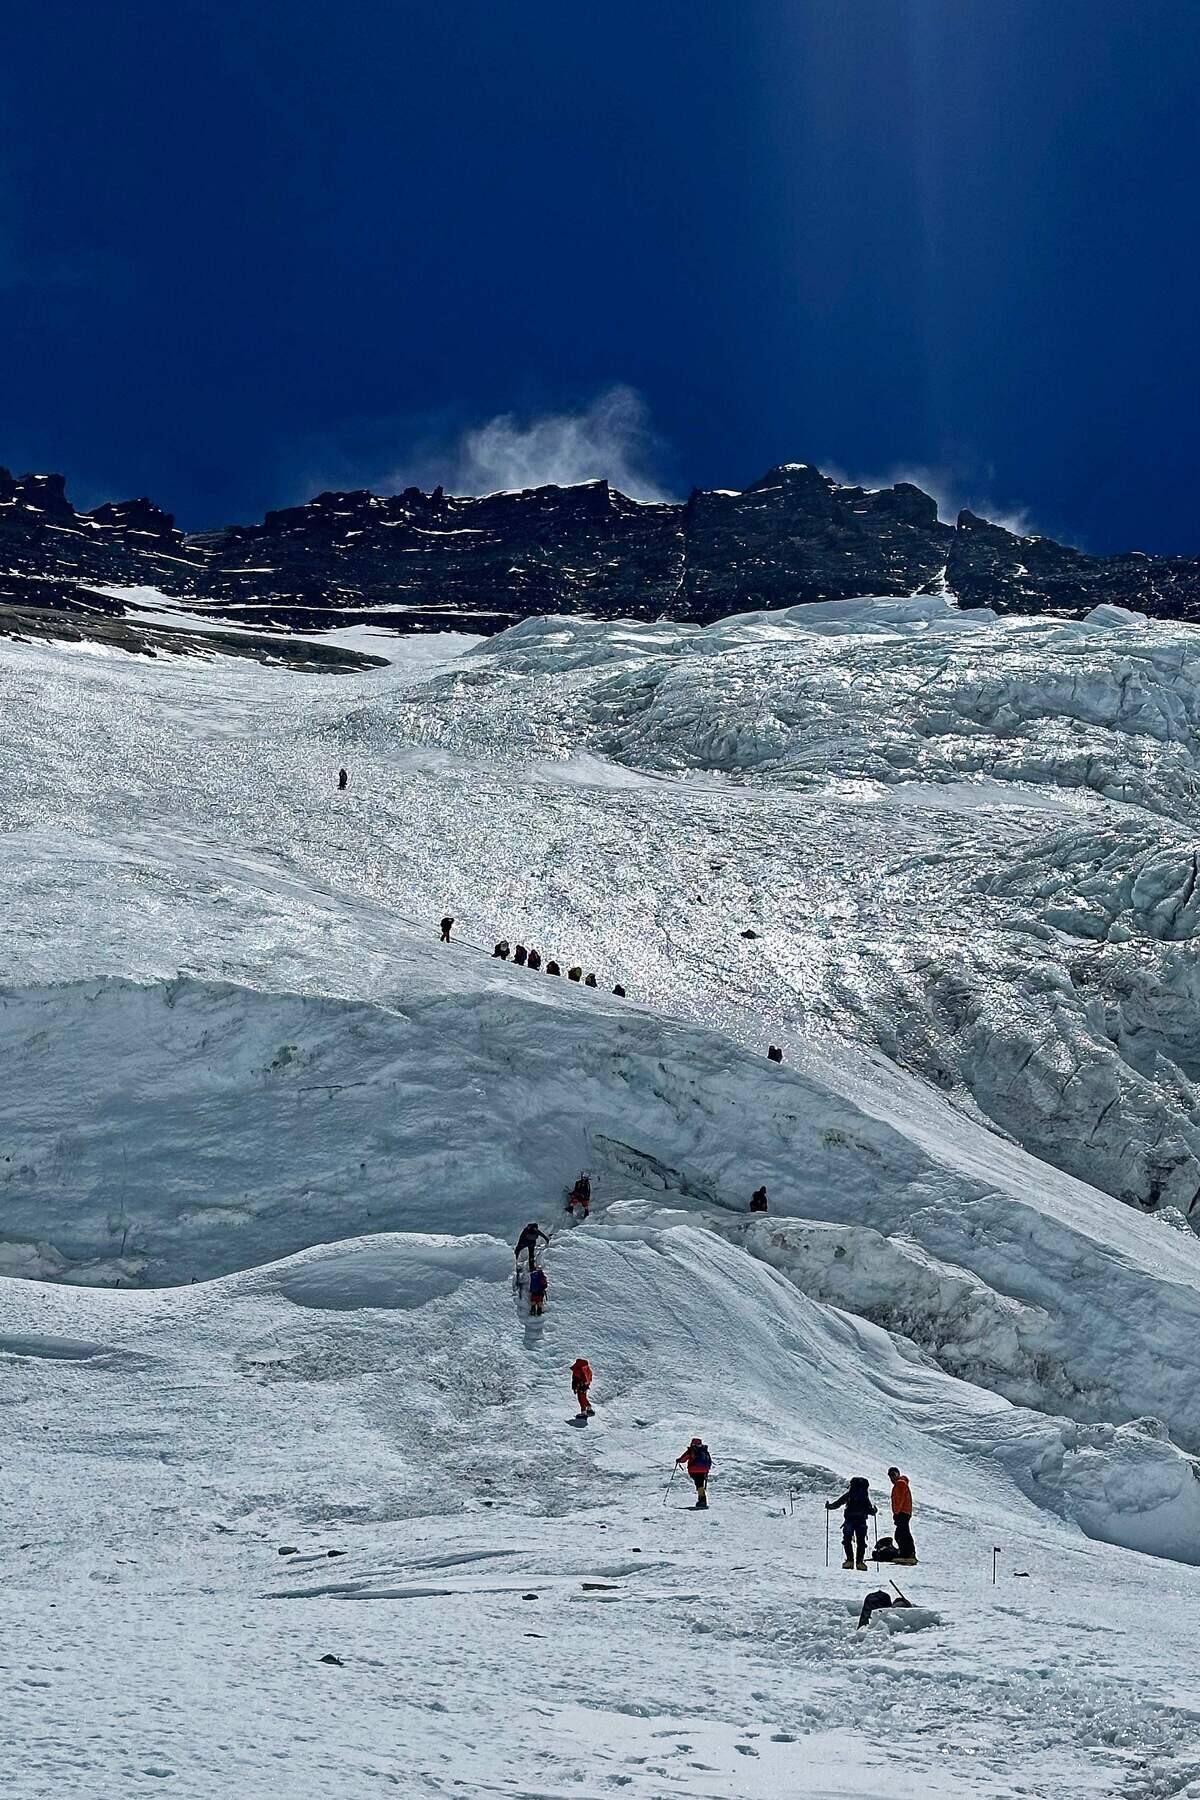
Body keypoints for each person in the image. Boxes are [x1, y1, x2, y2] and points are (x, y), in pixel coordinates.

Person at [826, 1478, 877, 1571]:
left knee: (847, 1539)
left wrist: (829, 1506)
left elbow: (838, 1503)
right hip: (861, 1521)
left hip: (849, 1520)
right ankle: (860, 1562)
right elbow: (869, 1510)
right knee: (861, 1541)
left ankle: (849, 1561)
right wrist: (874, 1511)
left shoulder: (849, 1494)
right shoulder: (864, 1497)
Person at [888, 1466, 918, 1564]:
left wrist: (896, 1512)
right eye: (890, 1476)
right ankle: (907, 1553)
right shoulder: (900, 1483)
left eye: (893, 1475)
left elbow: (899, 1500)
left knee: (902, 1533)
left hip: (902, 1512)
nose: (892, 1478)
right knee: (901, 1533)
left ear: (898, 1474)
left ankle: (907, 1554)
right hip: (904, 1512)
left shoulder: (900, 1483)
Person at [675, 1438, 712, 1510]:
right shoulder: (704, 1450)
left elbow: (683, 1459)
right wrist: (707, 1470)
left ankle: (702, 1501)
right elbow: (709, 1461)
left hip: (694, 1470)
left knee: (699, 1485)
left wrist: (678, 1460)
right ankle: (702, 1500)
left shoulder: (691, 1450)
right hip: (704, 1470)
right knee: (700, 1484)